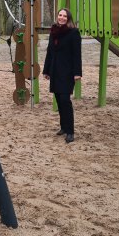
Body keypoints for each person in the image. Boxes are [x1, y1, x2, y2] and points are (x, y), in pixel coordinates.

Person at [42, 8, 82, 143]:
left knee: (65, 100)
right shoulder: (53, 31)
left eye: (65, 16)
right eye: (60, 15)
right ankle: (63, 127)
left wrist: (77, 73)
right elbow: (50, 52)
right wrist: (46, 70)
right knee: (58, 99)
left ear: (68, 18)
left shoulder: (73, 33)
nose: (62, 18)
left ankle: (70, 131)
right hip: (55, 71)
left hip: (67, 72)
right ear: (57, 16)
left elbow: (77, 54)